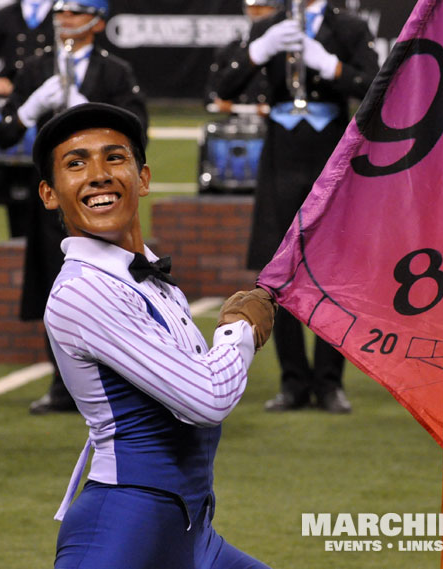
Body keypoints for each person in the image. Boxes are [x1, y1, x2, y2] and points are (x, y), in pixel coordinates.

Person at [35, 101, 276, 569]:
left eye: (115, 157)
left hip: (190, 532)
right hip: (123, 535)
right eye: (76, 163)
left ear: (142, 179)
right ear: (50, 193)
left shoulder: (147, 278)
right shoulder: (84, 290)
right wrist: (239, 329)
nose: (99, 174)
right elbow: (206, 399)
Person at [214, 0, 378, 413]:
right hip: (280, 156)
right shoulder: (269, 25)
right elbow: (224, 87)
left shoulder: (350, 27)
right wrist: (257, 51)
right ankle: (292, 380)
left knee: (332, 268)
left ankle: (328, 382)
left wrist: (332, 67)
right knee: (278, 270)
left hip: (333, 153)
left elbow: (376, 87)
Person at [0, 0, 148, 415]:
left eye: (76, 12)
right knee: (53, 283)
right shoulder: (35, 68)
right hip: (53, 199)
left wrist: (84, 109)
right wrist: (28, 108)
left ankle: (123, 376)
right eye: (60, 12)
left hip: (104, 199)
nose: (65, 19)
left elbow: (139, 131)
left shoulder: (115, 71)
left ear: (96, 22)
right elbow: (4, 134)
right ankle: (63, 383)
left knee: (116, 282)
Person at [0, 0, 55, 238]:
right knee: (15, 191)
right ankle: (18, 248)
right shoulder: (4, 15)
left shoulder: (65, 11)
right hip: (15, 104)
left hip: (51, 104)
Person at [204, 0, 281, 113]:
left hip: (277, 117)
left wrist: (271, 104)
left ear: (276, 9)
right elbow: (212, 92)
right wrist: (221, 100)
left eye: (262, 7)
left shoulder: (287, 47)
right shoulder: (231, 49)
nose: (256, 11)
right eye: (252, 7)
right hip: (238, 119)